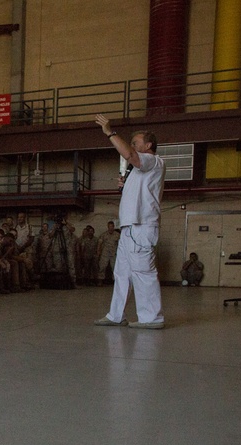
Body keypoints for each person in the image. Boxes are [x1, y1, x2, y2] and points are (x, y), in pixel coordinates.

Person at [93, 114, 166, 329]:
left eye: (136, 142)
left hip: (141, 227)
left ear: (149, 145)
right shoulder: (139, 170)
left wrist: (110, 132)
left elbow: (130, 155)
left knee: (143, 272)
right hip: (129, 227)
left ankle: (152, 318)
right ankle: (116, 315)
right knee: (122, 273)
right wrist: (125, 185)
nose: (132, 145)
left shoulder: (152, 161)